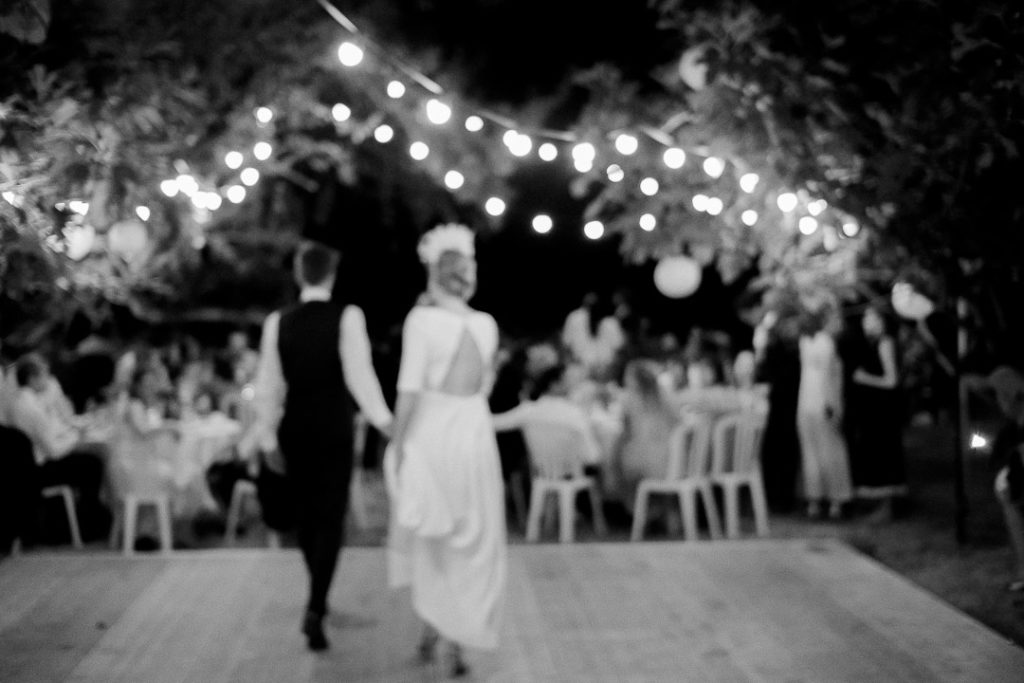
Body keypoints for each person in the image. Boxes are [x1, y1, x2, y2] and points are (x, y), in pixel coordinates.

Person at [253, 241, 392, 651]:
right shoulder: (347, 316)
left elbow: (268, 385)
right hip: (333, 426)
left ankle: (317, 598)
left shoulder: (278, 322)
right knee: (331, 518)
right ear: (331, 275)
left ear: (300, 274)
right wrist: (385, 422)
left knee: (306, 518)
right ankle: (316, 604)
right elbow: (359, 375)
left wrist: (265, 435)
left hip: (294, 427)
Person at [386, 224, 506, 678]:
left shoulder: (422, 322)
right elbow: (484, 384)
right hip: (474, 435)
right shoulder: (486, 324)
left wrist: (397, 443)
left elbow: (410, 389)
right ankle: (452, 637)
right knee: (473, 535)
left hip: (434, 433)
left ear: (435, 275)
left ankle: (435, 632)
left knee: (435, 535)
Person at [7, 354, 109, 540]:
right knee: (92, 465)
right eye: (45, 375)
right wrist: (76, 439)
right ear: (32, 379)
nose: (50, 380)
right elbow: (53, 451)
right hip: (38, 469)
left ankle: (90, 521)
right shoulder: (29, 407)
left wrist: (72, 435)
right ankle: (89, 526)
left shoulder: (30, 401)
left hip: (39, 461)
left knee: (90, 460)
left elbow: (55, 431)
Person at [848, 306, 908, 519]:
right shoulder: (873, 343)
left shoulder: (885, 343)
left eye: (871, 317)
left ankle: (888, 506)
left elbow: (891, 380)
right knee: (876, 453)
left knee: (885, 453)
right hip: (874, 410)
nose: (866, 321)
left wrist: (865, 378)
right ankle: (880, 506)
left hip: (883, 411)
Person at [796, 310, 853, 519]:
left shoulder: (809, 341)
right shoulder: (824, 342)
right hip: (821, 401)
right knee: (828, 450)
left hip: (809, 401)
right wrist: (832, 405)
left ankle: (818, 499)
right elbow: (828, 377)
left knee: (816, 450)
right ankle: (832, 499)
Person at [611, 360, 680, 512]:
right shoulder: (667, 397)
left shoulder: (629, 400)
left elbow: (624, 433)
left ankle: (640, 513)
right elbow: (679, 424)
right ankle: (663, 511)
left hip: (648, 462)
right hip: (675, 459)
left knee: (616, 461)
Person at [984, 367, 1024, 592]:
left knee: (1009, 493)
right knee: (1007, 492)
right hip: (1015, 487)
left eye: (1000, 396)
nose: (999, 403)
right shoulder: (1012, 426)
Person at [561, 292, 624, 380]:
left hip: (606, 374)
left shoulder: (610, 322)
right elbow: (566, 347)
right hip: (581, 372)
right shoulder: (574, 317)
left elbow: (619, 352)